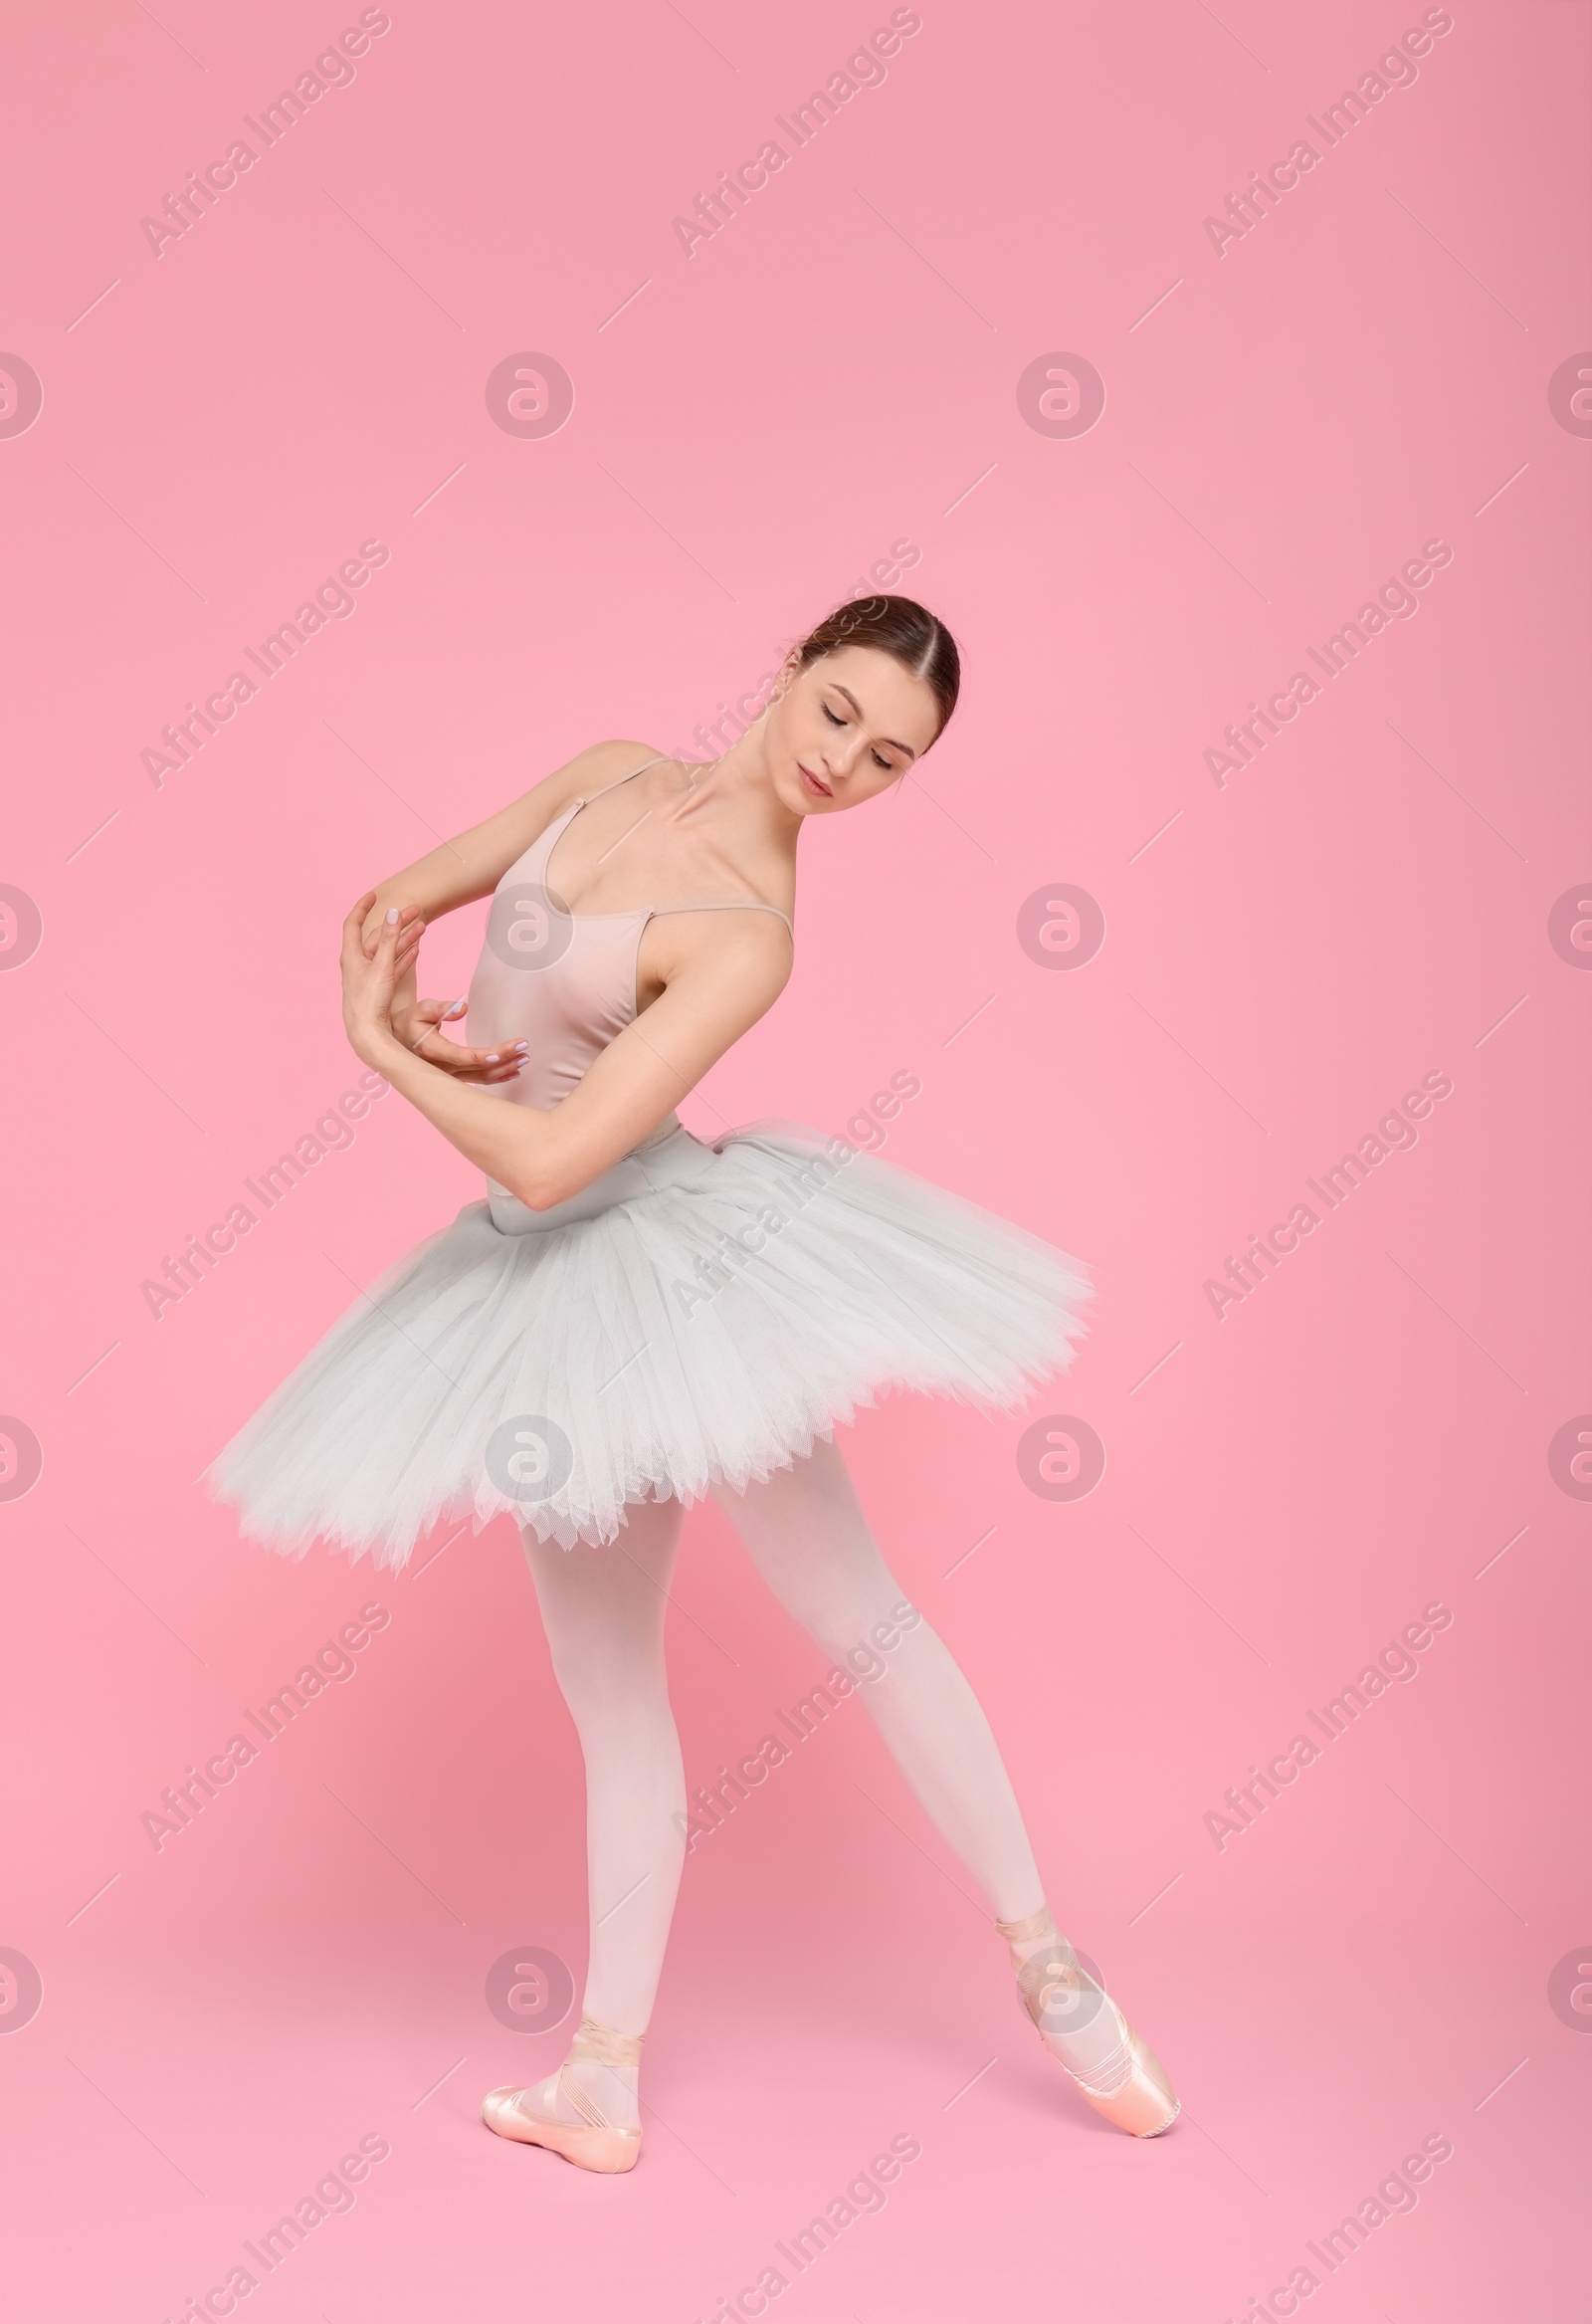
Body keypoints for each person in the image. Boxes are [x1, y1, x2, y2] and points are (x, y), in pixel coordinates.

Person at [207, 594, 1178, 2172]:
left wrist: (383, 1059)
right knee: (606, 1691)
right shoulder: (606, 774)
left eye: (892, 760)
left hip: (683, 1265)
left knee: (859, 1611)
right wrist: (408, 1000)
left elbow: (545, 1170)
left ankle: (1053, 1966)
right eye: (844, 710)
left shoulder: (749, 933)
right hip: (546, 1303)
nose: (848, 762)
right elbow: (390, 903)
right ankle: (602, 2079)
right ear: (794, 667)